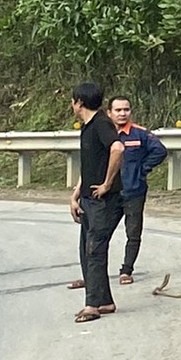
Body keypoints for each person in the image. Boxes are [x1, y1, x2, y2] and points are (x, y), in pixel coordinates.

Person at [69, 82, 123, 322]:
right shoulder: (87, 127)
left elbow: (118, 148)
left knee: (95, 250)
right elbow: (91, 164)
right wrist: (76, 194)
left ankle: (91, 305)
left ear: (79, 102)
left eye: (72, 101)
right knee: (86, 250)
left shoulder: (101, 123)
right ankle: (105, 301)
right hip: (89, 199)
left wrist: (107, 183)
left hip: (104, 200)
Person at [107, 96, 167, 284]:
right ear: (109, 113)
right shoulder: (105, 134)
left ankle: (126, 270)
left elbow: (160, 151)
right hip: (109, 193)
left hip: (134, 191)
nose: (122, 113)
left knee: (133, 233)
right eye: (118, 110)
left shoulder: (140, 134)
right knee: (101, 233)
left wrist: (143, 169)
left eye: (126, 109)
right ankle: (94, 274)